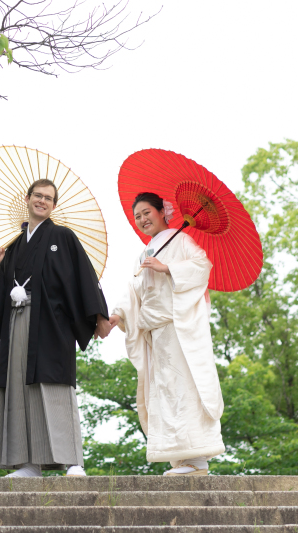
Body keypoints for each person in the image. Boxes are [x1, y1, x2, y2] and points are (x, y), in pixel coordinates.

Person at [0, 179, 111, 478]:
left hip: (53, 323)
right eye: (37, 196)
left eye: (48, 198)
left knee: (53, 386)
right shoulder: (14, 246)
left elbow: (83, 277)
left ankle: (73, 461)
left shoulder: (63, 236)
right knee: (18, 388)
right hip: (18, 320)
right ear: (26, 199)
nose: (42, 201)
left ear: (54, 205)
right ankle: (28, 463)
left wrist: (99, 317)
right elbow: (1, 292)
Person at [107, 192, 225, 476]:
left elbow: (202, 266)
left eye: (147, 212)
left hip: (178, 328)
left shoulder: (182, 240)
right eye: (138, 216)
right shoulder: (145, 252)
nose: (143, 219)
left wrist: (168, 267)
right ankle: (180, 459)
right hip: (157, 334)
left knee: (185, 388)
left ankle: (197, 460)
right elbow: (134, 291)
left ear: (163, 212)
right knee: (165, 392)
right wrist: (116, 316)